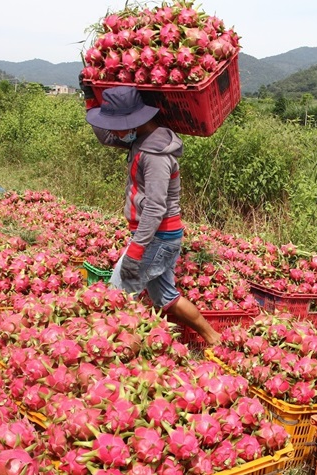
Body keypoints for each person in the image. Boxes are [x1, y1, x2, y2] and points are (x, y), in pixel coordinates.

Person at [82, 84, 221, 346]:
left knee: (116, 296)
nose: (112, 130)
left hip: (157, 238)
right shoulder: (141, 138)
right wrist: (91, 100)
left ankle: (118, 353)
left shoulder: (155, 154)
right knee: (166, 297)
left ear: (133, 121)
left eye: (116, 123)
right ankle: (214, 338)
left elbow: (156, 207)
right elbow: (106, 137)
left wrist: (135, 253)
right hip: (159, 238)